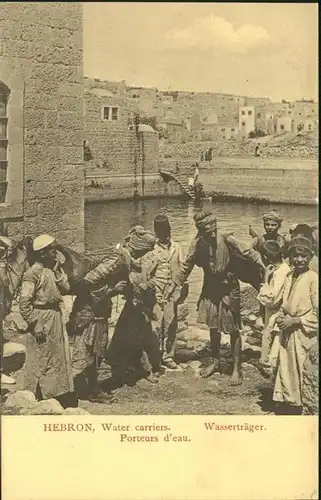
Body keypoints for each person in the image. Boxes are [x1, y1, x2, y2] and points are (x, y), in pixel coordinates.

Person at [169, 211, 265, 385]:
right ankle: (215, 362)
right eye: (208, 232)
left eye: (214, 230)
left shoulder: (228, 239)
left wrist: (264, 267)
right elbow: (186, 266)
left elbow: (250, 252)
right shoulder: (197, 244)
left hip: (230, 287)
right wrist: (174, 284)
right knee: (213, 325)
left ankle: (237, 369)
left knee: (233, 327)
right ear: (201, 231)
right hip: (210, 287)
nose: (212, 234)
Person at [85, 227, 161, 386]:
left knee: (133, 335)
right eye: (144, 251)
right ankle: (96, 384)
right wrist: (112, 291)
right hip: (101, 308)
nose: (144, 255)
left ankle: (128, 367)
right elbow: (90, 280)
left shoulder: (127, 257)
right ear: (139, 248)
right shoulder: (120, 258)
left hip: (136, 303)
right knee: (101, 345)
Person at [19, 234, 76, 408]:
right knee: (41, 356)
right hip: (41, 318)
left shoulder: (51, 270)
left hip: (54, 319)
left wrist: (59, 268)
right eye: (52, 250)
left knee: (55, 356)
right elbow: (24, 303)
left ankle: (54, 393)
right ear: (43, 253)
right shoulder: (31, 274)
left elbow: (66, 288)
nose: (55, 253)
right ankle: (38, 394)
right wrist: (35, 323)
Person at [273, 236, 318, 414]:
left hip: (303, 332)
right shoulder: (289, 276)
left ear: (310, 257)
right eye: (295, 256)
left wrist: (296, 320)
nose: (299, 260)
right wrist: (282, 315)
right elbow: (284, 301)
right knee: (285, 365)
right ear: (289, 258)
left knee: (300, 366)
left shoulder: (313, 278)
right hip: (288, 328)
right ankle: (288, 401)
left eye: (303, 256)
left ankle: (303, 403)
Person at [151, 215, 184, 369]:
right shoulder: (152, 248)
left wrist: (179, 289)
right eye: (161, 233)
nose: (165, 236)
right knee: (156, 324)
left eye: (166, 232)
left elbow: (183, 269)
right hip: (156, 289)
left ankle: (168, 355)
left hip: (172, 290)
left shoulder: (176, 248)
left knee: (170, 323)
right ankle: (155, 355)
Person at [256, 241, 290, 377]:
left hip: (275, 313)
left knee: (271, 339)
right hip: (276, 312)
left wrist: (265, 280)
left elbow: (271, 299)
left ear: (266, 257)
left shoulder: (280, 273)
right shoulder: (284, 269)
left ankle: (268, 368)